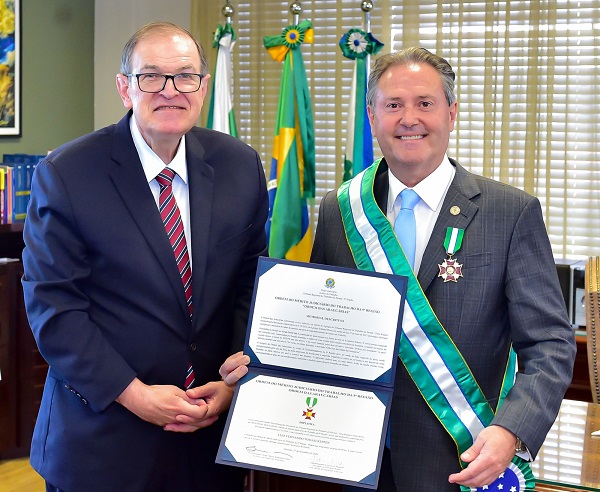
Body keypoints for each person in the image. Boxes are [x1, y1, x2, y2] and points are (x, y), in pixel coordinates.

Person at [308, 47, 576, 490]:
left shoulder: (508, 212)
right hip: (352, 460)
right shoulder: (340, 211)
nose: (408, 118)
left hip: (459, 463)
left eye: (425, 103)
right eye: (393, 105)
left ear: (451, 114)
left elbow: (550, 344)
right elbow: (321, 329)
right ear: (372, 117)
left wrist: (511, 431)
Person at [21, 22, 268, 492]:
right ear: (124, 87)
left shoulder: (240, 166)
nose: (170, 91)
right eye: (151, 76)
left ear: (203, 86)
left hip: (208, 438)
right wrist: (134, 396)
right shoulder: (68, 173)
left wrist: (234, 381)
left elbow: (250, 284)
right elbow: (55, 309)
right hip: (102, 443)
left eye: (185, 76)